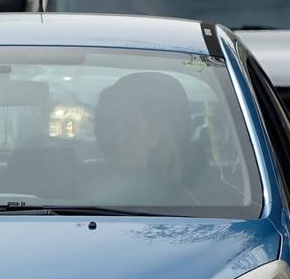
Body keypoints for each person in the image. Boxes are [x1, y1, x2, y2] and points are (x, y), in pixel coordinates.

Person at [94, 72, 229, 207]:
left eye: (128, 127)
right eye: (105, 126)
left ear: (154, 135)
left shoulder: (201, 199)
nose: (113, 138)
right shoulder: (84, 182)